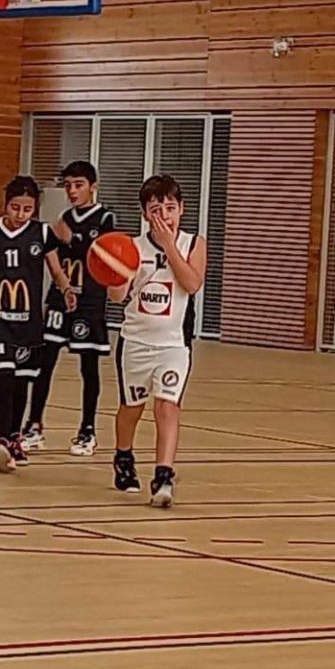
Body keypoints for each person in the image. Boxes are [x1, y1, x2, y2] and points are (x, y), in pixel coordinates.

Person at [0, 176, 76, 473]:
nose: (20, 214)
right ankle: (2, 439)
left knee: (21, 383)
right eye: (15, 207)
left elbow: (55, 268)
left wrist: (67, 289)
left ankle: (15, 438)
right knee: (2, 378)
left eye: (27, 209)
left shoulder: (41, 233)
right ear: (6, 204)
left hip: (28, 323)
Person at [109, 174, 207, 508]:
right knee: (131, 408)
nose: (164, 215)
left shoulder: (194, 244)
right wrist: (111, 269)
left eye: (170, 208)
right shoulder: (133, 248)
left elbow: (192, 284)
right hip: (135, 341)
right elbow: (117, 295)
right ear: (144, 214)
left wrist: (169, 248)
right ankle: (123, 456)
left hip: (173, 345)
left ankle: (163, 475)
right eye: (155, 209)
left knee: (167, 406)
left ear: (181, 209)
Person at [22, 160, 115, 456]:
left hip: (89, 303)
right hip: (61, 299)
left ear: (93, 186)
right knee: (44, 362)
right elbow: (55, 259)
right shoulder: (64, 218)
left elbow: (102, 257)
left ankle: (87, 430)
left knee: (88, 367)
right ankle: (34, 425)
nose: (72, 191)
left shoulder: (105, 219)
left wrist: (71, 239)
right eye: (68, 186)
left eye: (78, 185)